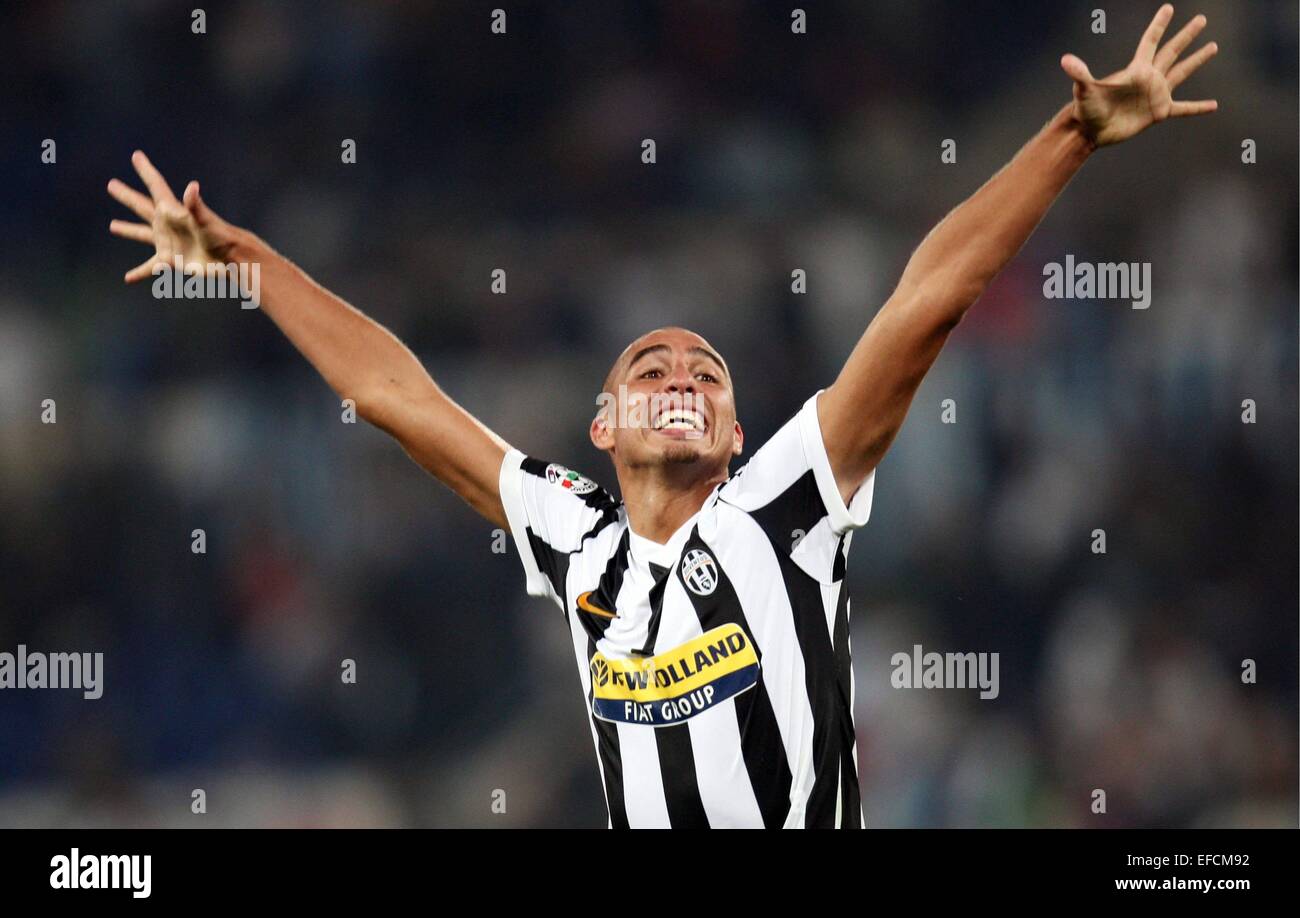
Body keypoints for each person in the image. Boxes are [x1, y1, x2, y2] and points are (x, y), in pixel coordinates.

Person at [106, 5, 1217, 828]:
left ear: (736, 438)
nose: (680, 369)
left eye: (706, 368)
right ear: (601, 428)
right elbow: (392, 395)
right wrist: (247, 261)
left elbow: (926, 299)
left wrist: (1069, 139)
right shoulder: (571, 534)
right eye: (650, 362)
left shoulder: (783, 501)